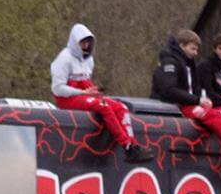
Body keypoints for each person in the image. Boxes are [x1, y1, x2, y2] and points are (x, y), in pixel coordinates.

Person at [152, 29, 221, 177]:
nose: (196, 53)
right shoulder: (174, 63)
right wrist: (199, 100)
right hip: (179, 105)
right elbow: (170, 89)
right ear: (182, 46)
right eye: (193, 48)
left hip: (196, 102)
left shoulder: (190, 63)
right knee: (217, 116)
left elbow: (198, 87)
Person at [51, 24, 154, 164]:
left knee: (121, 107)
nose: (86, 46)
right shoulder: (64, 59)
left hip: (83, 95)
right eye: (83, 42)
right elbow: (58, 89)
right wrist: (82, 92)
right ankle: (126, 146)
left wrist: (92, 91)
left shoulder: (89, 61)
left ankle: (132, 144)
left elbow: (85, 82)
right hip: (67, 99)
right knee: (104, 106)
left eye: (88, 42)